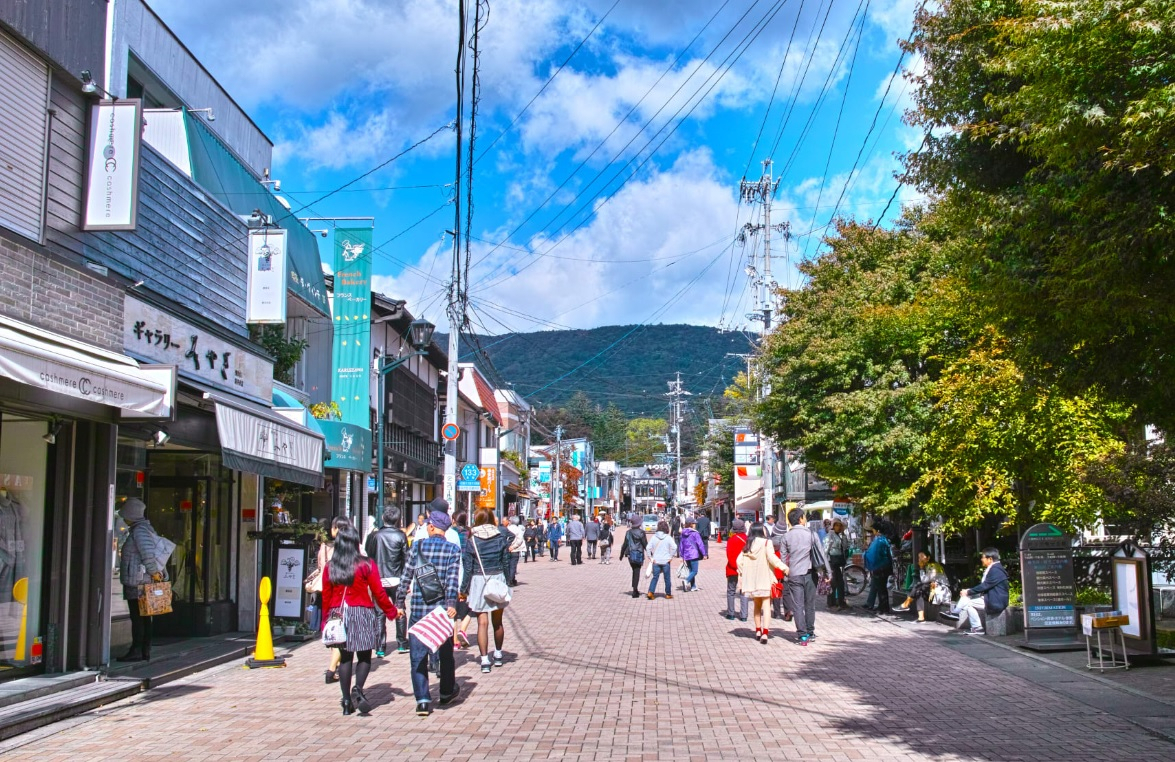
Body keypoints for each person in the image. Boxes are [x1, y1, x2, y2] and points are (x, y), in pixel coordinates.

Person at [322, 521, 398, 716]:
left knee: (346, 658)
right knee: (364, 655)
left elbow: (326, 598)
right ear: (356, 542)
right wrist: (391, 611)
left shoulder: (330, 567)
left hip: (338, 614)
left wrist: (324, 622)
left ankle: (346, 701)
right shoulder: (366, 564)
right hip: (362, 612)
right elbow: (379, 593)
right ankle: (358, 689)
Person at [397, 510, 462, 717]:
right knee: (445, 653)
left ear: (432, 526)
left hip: (418, 607)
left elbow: (406, 575)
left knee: (418, 656)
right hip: (441, 610)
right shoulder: (452, 549)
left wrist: (399, 601)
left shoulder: (417, 546)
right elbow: (452, 579)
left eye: (427, 524)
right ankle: (445, 692)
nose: (425, 526)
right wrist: (452, 602)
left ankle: (423, 700)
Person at [116, 498, 169, 662]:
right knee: (144, 616)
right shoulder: (141, 529)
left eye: (126, 515)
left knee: (139, 617)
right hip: (140, 579)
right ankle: (143, 650)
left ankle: (138, 649)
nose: (124, 518)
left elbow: (147, 554)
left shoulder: (140, 531)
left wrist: (153, 573)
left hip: (139, 582)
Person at [461, 509, 512, 673]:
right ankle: (498, 654)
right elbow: (506, 562)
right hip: (497, 578)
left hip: (478, 580)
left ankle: (484, 660)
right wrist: (507, 581)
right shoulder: (500, 537)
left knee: (482, 622)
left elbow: (468, 567)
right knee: (498, 622)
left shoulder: (472, 540)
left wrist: (463, 589)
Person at [781, 508, 831, 645]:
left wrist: (785, 574)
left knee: (797, 606)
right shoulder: (811, 534)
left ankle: (802, 636)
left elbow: (783, 558)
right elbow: (821, 554)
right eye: (804, 517)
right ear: (800, 519)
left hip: (794, 574)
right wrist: (828, 572)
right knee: (810, 604)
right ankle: (810, 631)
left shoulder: (786, 537)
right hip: (810, 574)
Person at [364, 506, 409, 656]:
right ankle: (402, 643)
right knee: (400, 608)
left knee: (379, 612)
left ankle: (380, 647)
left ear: (383, 518)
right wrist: (406, 581)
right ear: (397, 520)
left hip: (378, 579)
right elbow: (406, 559)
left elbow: (369, 557)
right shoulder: (401, 536)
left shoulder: (374, 536)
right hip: (397, 579)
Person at [737, 522, 788, 644]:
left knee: (756, 606)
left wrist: (745, 573)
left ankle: (758, 631)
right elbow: (772, 558)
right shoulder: (766, 543)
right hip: (765, 579)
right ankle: (765, 633)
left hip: (752, 581)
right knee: (766, 606)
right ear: (760, 531)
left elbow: (739, 561)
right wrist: (784, 567)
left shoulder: (748, 544)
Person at [316, 517, 348, 682]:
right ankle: (331, 670)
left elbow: (321, 566)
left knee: (336, 633)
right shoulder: (352, 547)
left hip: (331, 593)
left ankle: (333, 669)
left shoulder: (326, 546)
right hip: (346, 599)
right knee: (341, 636)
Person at [950, 548, 1009, 634]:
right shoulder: (994, 568)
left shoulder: (996, 570)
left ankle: (956, 612)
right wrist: (968, 591)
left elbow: (985, 585)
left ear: (990, 559)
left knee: (968, 602)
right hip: (990, 598)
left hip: (996, 601)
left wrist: (968, 592)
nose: (981, 559)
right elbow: (985, 586)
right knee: (968, 604)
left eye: (983, 557)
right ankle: (977, 627)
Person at [896, 551, 950, 623]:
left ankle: (905, 605)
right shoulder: (928, 566)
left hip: (940, 591)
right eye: (919, 557)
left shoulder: (933, 566)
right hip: (933, 590)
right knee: (919, 591)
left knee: (919, 587)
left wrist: (921, 568)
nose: (920, 559)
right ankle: (921, 618)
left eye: (922, 556)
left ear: (928, 558)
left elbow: (924, 580)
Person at [863, 526, 894, 614]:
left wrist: (865, 553)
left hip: (878, 567)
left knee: (881, 589)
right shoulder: (885, 540)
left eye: (873, 529)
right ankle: (883, 607)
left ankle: (883, 608)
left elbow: (873, 555)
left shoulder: (878, 541)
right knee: (882, 588)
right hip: (886, 566)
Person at [724, 518, 749, 621]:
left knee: (731, 591)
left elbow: (729, 556)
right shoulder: (748, 539)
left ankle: (731, 613)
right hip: (745, 569)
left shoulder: (731, 540)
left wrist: (735, 566)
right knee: (744, 591)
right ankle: (744, 615)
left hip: (732, 569)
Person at [618, 515, 649, 598]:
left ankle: (635, 589)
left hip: (630, 555)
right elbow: (645, 545)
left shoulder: (628, 532)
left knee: (634, 570)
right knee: (637, 571)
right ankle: (635, 590)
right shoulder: (642, 533)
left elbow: (624, 544)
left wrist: (621, 555)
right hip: (638, 554)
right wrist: (651, 554)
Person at [824, 519, 851, 610]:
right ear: (833, 526)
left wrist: (843, 535)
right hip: (831, 562)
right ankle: (831, 603)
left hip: (838, 561)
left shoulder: (840, 536)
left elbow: (845, 546)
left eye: (840, 526)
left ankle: (841, 601)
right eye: (837, 525)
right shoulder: (830, 536)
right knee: (833, 583)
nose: (839, 527)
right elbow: (825, 550)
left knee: (840, 583)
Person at [646, 521, 677, 600]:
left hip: (656, 561)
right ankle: (668, 594)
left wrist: (650, 557)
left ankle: (650, 592)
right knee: (667, 578)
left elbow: (648, 548)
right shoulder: (668, 537)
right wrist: (671, 556)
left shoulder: (654, 537)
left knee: (655, 577)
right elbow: (674, 547)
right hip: (666, 560)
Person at [679, 517, 706, 592]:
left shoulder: (683, 533)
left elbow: (681, 545)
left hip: (687, 554)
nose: (695, 525)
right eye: (694, 523)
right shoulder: (695, 533)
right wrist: (704, 554)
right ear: (690, 524)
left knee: (691, 570)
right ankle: (686, 581)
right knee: (695, 571)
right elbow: (700, 544)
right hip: (694, 554)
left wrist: (682, 555)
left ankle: (693, 586)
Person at [505, 516, 525, 585]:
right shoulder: (518, 529)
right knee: (513, 566)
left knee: (507, 565)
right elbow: (520, 540)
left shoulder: (507, 528)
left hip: (507, 549)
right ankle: (510, 580)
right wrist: (513, 547)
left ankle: (510, 579)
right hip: (515, 550)